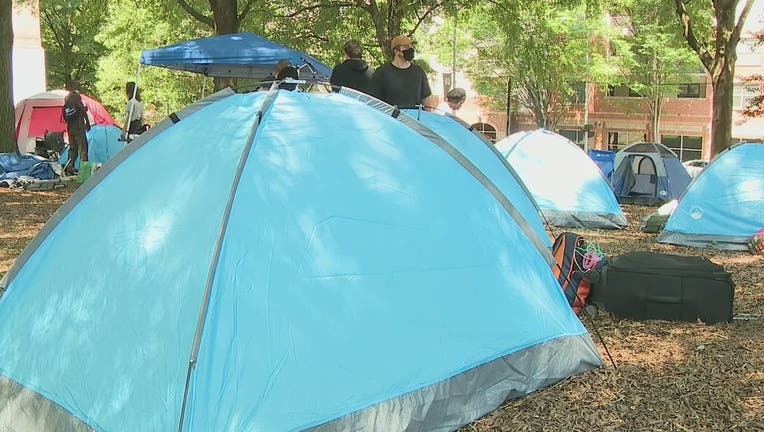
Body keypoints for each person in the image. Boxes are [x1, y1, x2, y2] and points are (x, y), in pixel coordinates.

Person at [368, 35, 434, 109]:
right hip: (392, 118)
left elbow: (426, 100)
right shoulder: (382, 73)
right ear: (396, 51)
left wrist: (428, 117)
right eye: (406, 47)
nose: (410, 49)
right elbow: (373, 102)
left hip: (415, 118)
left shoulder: (419, 72)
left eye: (411, 46)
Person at [62, 80, 90, 176]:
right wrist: (87, 121)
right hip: (78, 126)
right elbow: (80, 108)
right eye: (79, 85)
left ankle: (69, 168)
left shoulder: (67, 97)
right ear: (76, 87)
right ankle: (84, 172)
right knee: (83, 148)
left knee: (72, 148)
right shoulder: (76, 96)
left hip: (70, 127)